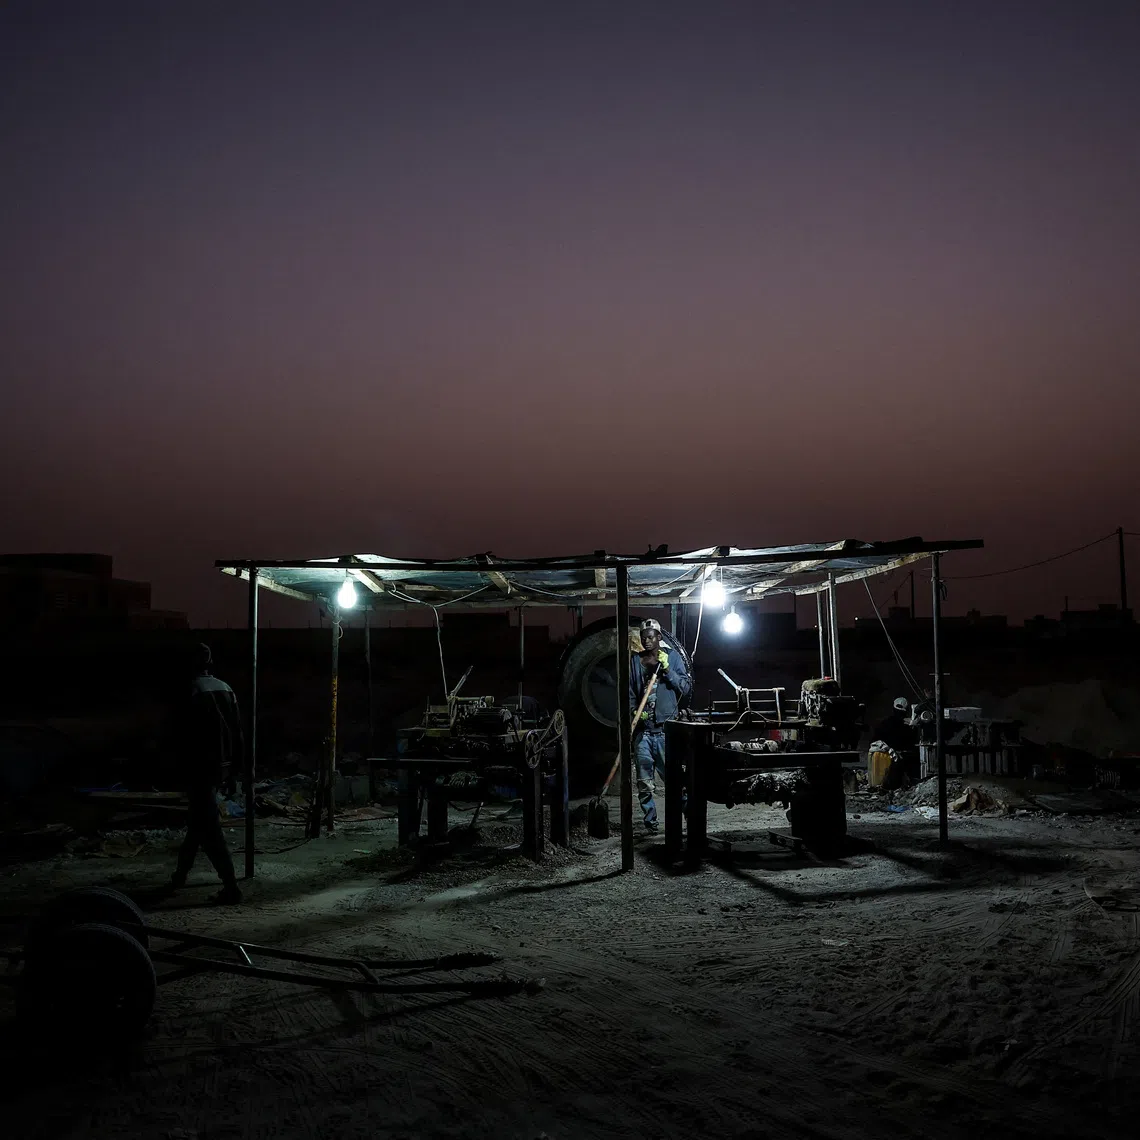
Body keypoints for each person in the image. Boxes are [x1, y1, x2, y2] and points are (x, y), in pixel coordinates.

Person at [169, 643, 244, 904]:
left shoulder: (190, 690)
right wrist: (236, 770)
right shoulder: (225, 688)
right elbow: (238, 732)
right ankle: (179, 875)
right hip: (221, 767)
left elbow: (182, 736)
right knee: (199, 823)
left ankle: (231, 886)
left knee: (208, 827)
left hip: (199, 767)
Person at [629, 618, 692, 834]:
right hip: (643, 733)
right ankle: (651, 824)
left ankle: (688, 815)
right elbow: (629, 692)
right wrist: (634, 712)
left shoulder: (672, 658)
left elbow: (684, 687)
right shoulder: (635, 661)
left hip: (666, 731)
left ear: (659, 638)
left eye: (651, 636)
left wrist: (667, 670)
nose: (646, 640)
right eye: (643, 637)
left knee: (675, 779)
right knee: (644, 782)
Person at [868, 696, 917, 790]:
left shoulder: (884, 723)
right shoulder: (905, 726)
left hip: (884, 754)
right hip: (898, 756)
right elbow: (910, 743)